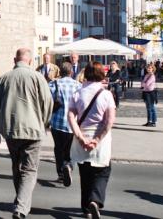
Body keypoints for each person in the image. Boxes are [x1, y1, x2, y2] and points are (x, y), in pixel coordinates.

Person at [0, 48, 53, 219]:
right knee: (29, 170)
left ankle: (20, 201)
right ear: (31, 61)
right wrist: (45, 123)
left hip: (11, 131)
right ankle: (21, 207)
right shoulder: (38, 78)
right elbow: (48, 104)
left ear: (14, 60)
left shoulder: (3, 79)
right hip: (33, 130)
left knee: (17, 168)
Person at [68, 62, 116, 219]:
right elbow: (109, 121)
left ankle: (86, 209)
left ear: (86, 74)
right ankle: (95, 201)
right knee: (103, 171)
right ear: (102, 74)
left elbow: (71, 117)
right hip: (100, 140)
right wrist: (97, 139)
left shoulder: (77, 93)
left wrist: (80, 137)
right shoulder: (106, 94)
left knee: (85, 173)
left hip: (82, 136)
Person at [50, 61, 82, 186]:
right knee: (70, 149)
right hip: (73, 124)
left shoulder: (53, 84)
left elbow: (47, 103)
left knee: (58, 149)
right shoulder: (78, 86)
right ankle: (68, 165)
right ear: (71, 72)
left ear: (60, 72)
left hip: (57, 123)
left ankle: (61, 174)